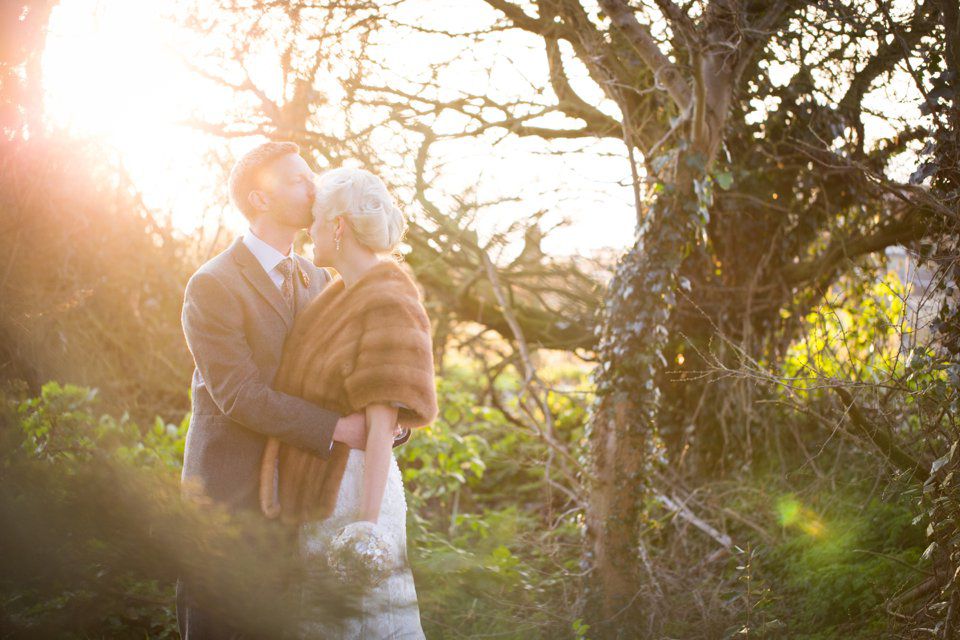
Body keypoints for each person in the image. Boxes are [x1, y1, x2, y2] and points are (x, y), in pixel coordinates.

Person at [177, 142, 410, 640]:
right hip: (231, 496)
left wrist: (384, 422)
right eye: (298, 180)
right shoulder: (213, 284)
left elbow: (341, 377)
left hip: (300, 501)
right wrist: (339, 429)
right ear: (260, 199)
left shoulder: (318, 277)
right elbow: (239, 394)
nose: (314, 188)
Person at [258, 166, 438, 639]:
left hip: (358, 492)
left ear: (337, 226)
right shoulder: (336, 295)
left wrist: (366, 530)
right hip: (322, 491)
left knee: (367, 619)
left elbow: (381, 427)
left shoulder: (387, 298)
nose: (310, 232)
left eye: (317, 222)